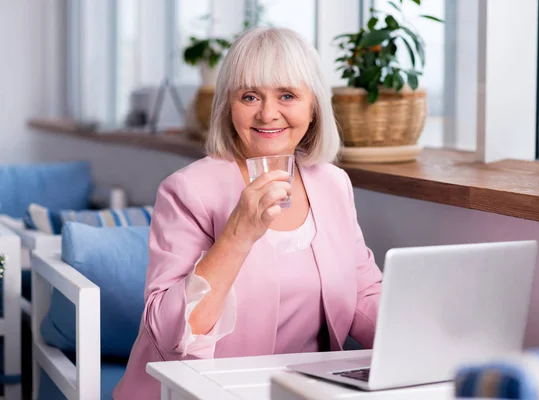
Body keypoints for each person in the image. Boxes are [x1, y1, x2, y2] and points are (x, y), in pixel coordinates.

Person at [114, 26, 382, 399]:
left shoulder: (332, 183)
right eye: (250, 96)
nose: (268, 113)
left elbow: (364, 293)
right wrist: (238, 234)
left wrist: (423, 340)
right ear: (229, 105)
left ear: (314, 106)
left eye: (287, 95)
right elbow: (169, 332)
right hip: (204, 389)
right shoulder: (187, 189)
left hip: (305, 389)